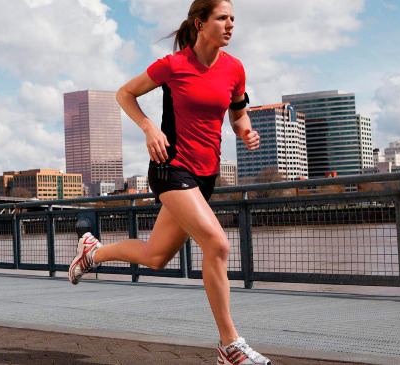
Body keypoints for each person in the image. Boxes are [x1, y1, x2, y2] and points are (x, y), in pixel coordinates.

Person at [68, 1, 271, 364]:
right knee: (218, 245)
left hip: (205, 176)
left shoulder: (234, 68)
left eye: (233, 19)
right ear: (200, 23)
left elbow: (238, 114)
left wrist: (247, 133)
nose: (230, 25)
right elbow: (124, 93)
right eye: (223, 18)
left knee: (156, 256)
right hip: (171, 168)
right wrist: (149, 127)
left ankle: (92, 252)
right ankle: (230, 345)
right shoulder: (174, 65)